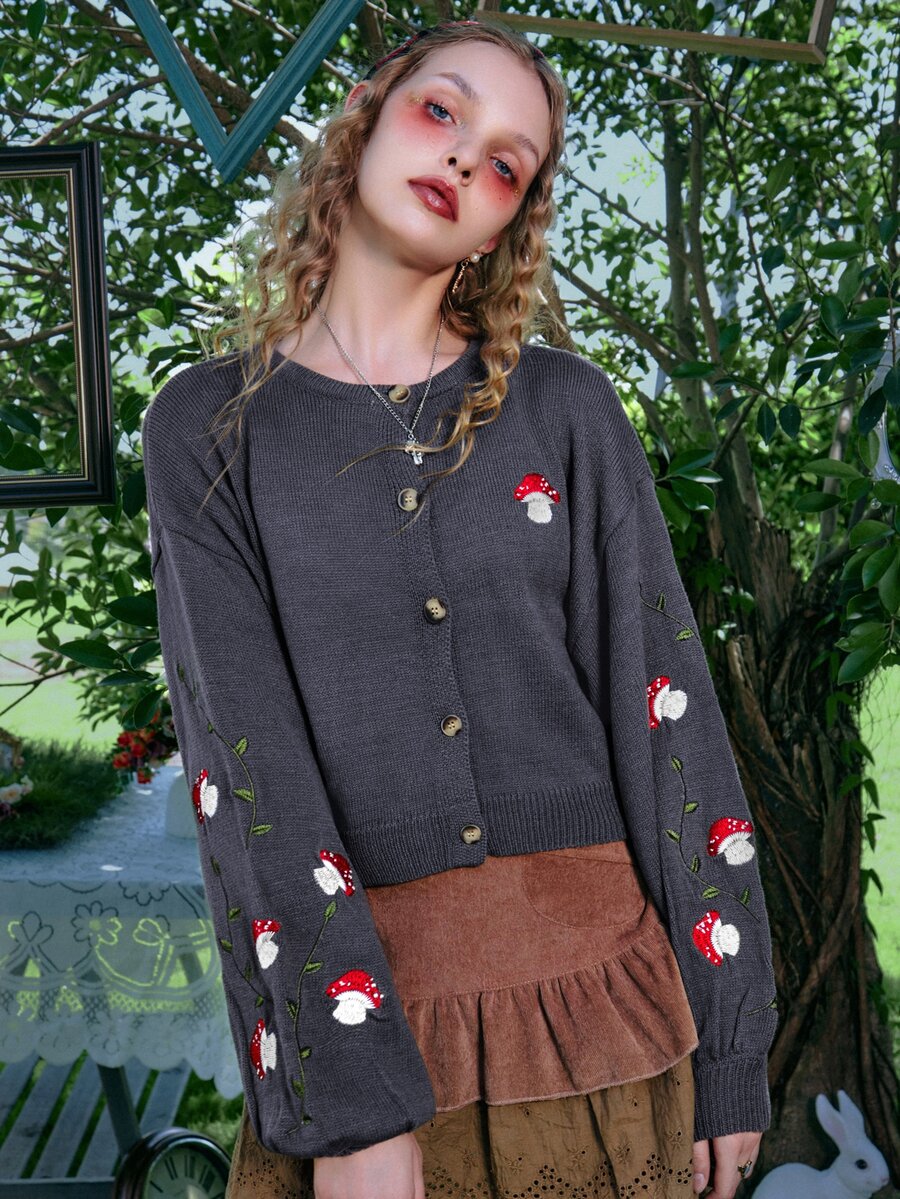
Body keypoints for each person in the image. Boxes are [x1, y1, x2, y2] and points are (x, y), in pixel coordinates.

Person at [141, 18, 779, 1199]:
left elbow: (670, 718)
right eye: (442, 111)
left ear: (506, 224)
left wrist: (732, 1049)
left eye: (505, 164)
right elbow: (248, 774)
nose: (462, 161)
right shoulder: (211, 430)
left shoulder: (566, 411)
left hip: (609, 1026)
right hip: (369, 1028)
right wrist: (351, 1107)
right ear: (367, 112)